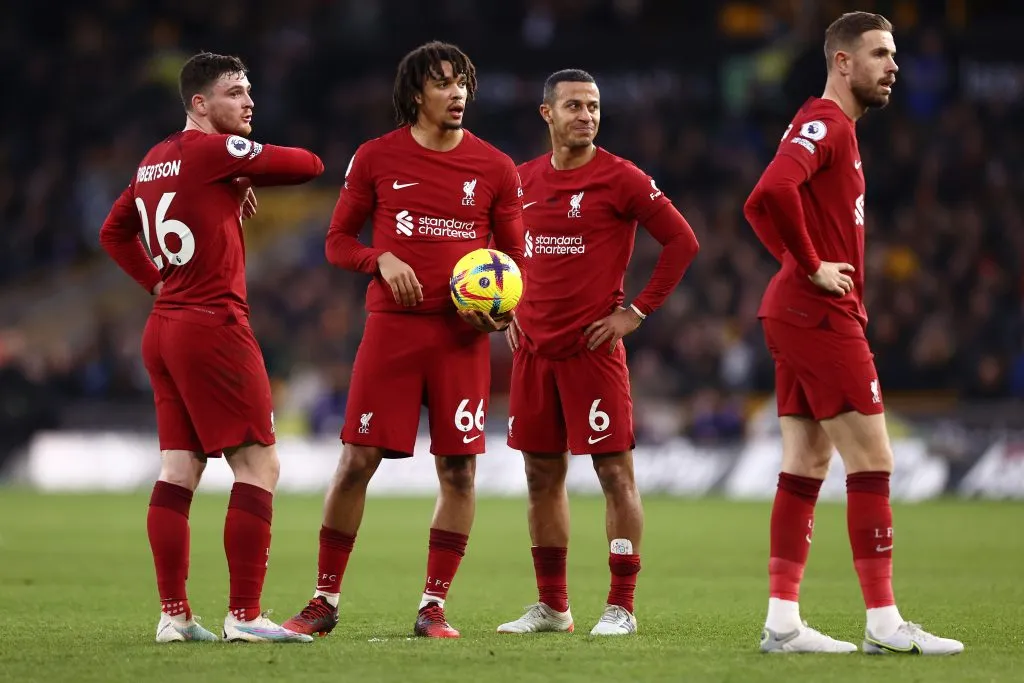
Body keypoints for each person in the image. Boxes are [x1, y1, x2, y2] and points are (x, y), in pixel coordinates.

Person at [282, 41, 525, 639]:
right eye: (443, 84)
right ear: (416, 93)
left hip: (460, 339)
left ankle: (433, 606)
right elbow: (337, 240)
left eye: (463, 82)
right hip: (391, 331)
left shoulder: (495, 167)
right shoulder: (375, 157)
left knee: (460, 472)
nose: (458, 93)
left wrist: (503, 310)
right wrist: (379, 258)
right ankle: (323, 601)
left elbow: (516, 259)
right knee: (355, 461)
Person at [743, 13, 963, 655]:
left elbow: (759, 204)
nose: (893, 65)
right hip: (819, 315)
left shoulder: (833, 127)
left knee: (806, 461)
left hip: (793, 311)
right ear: (843, 62)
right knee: (874, 460)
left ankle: (783, 623)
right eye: (880, 53)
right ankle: (885, 624)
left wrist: (793, 264)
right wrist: (809, 267)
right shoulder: (827, 123)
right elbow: (773, 189)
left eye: (893, 54)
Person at [99, 52, 324, 644]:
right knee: (258, 465)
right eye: (234, 92)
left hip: (165, 326)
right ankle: (246, 616)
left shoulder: (154, 161)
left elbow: (113, 231)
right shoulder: (212, 153)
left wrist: (154, 282)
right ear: (200, 103)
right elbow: (308, 164)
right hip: (213, 325)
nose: (249, 102)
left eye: (249, 92)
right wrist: (243, 169)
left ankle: (174, 615)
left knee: (179, 468)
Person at [495, 69, 699, 636]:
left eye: (593, 107)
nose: (586, 115)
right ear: (547, 114)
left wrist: (636, 311)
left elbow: (683, 241)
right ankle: (553, 607)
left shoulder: (623, 179)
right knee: (541, 476)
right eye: (574, 106)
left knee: (614, 474)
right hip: (533, 352)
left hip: (593, 351)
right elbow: (497, 254)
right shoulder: (518, 181)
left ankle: (621, 606)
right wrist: (507, 309)